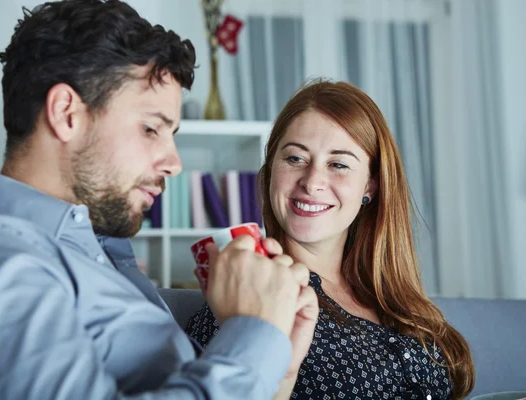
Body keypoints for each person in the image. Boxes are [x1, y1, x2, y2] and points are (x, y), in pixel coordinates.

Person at [0, 1, 319, 399]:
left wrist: (279, 369)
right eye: (151, 129)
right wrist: (254, 334)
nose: (174, 164)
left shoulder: (88, 250)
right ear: (66, 114)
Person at [186, 79, 476, 400]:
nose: (312, 182)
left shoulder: (394, 297)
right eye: (295, 159)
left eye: (337, 164)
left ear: (370, 186)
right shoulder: (247, 304)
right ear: (270, 173)